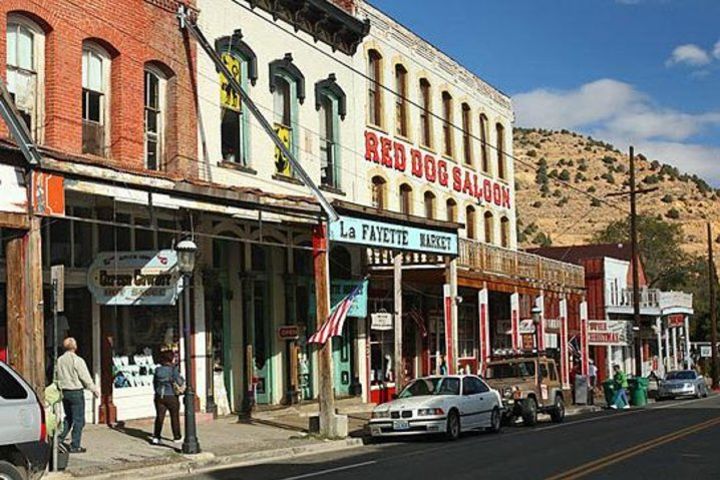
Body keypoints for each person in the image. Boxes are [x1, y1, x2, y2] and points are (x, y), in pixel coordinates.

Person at [56, 337, 100, 453]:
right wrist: (94, 389)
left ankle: (59, 439)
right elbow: (84, 376)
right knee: (79, 420)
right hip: (76, 391)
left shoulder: (59, 360)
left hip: (65, 391)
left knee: (68, 417)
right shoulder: (78, 360)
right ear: (75, 347)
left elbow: (56, 375)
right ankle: (75, 445)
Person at [152, 350, 184, 445]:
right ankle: (177, 437)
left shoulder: (158, 370)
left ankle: (156, 437)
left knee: (159, 417)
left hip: (159, 396)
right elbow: (180, 382)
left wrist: (157, 391)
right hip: (171, 396)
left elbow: (154, 383)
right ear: (171, 359)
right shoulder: (173, 370)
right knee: (174, 417)